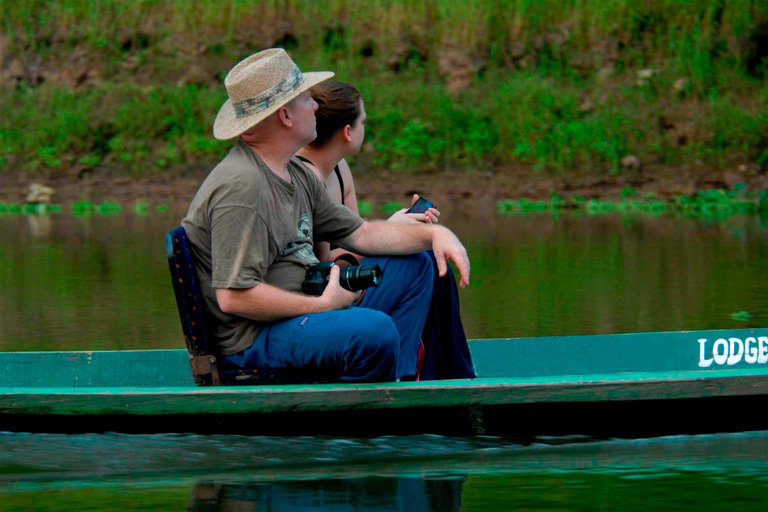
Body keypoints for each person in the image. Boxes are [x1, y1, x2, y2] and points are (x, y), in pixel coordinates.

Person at [182, 48, 470, 383]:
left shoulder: (296, 173)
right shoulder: (242, 188)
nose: (316, 105)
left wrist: (436, 235)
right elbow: (233, 297)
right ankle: (367, 416)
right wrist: (322, 306)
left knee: (417, 265)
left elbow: (360, 234)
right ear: (286, 116)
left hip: (304, 313)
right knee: (373, 333)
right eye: (307, 98)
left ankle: (400, 387)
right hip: (256, 339)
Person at [296, 82, 476, 380]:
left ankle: (439, 370)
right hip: (319, 300)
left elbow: (351, 239)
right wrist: (390, 233)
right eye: (363, 122)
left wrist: (395, 229)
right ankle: (406, 372)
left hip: (340, 279)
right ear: (348, 132)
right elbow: (320, 264)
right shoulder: (304, 178)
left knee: (428, 255)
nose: (365, 127)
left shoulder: (339, 170)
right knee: (420, 262)